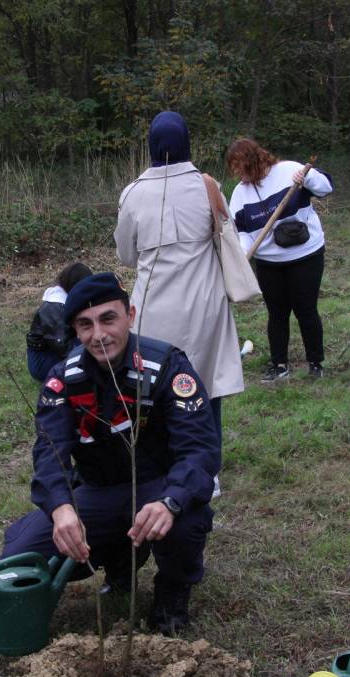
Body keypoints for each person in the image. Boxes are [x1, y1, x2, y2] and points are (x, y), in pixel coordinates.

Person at [0, 273, 220, 635]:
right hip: (96, 491)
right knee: (21, 556)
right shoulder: (63, 379)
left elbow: (199, 451)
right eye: (85, 325)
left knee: (186, 520)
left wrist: (170, 501)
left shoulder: (167, 367)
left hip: (156, 487)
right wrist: (60, 508)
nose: (98, 334)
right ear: (74, 329)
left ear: (130, 315)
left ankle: (173, 589)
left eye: (108, 319)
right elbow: (49, 453)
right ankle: (120, 560)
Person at [116, 110, 244, 442]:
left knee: (156, 386)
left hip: (153, 307)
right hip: (205, 303)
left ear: (151, 145)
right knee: (206, 386)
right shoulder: (206, 186)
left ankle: (164, 459)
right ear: (186, 142)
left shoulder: (132, 193)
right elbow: (229, 234)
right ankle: (207, 463)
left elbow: (126, 255)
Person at [226, 138, 333, 382]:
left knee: (306, 310)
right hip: (269, 263)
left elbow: (326, 188)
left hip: (306, 255)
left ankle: (315, 364)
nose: (237, 174)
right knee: (277, 313)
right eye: (233, 168)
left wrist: (308, 179)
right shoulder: (240, 194)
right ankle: (279, 366)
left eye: (239, 167)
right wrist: (242, 255)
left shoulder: (289, 171)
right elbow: (242, 232)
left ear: (253, 161)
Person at [26, 261, 92, 381]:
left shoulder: (65, 300)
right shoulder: (54, 307)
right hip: (42, 362)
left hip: (55, 350)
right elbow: (64, 346)